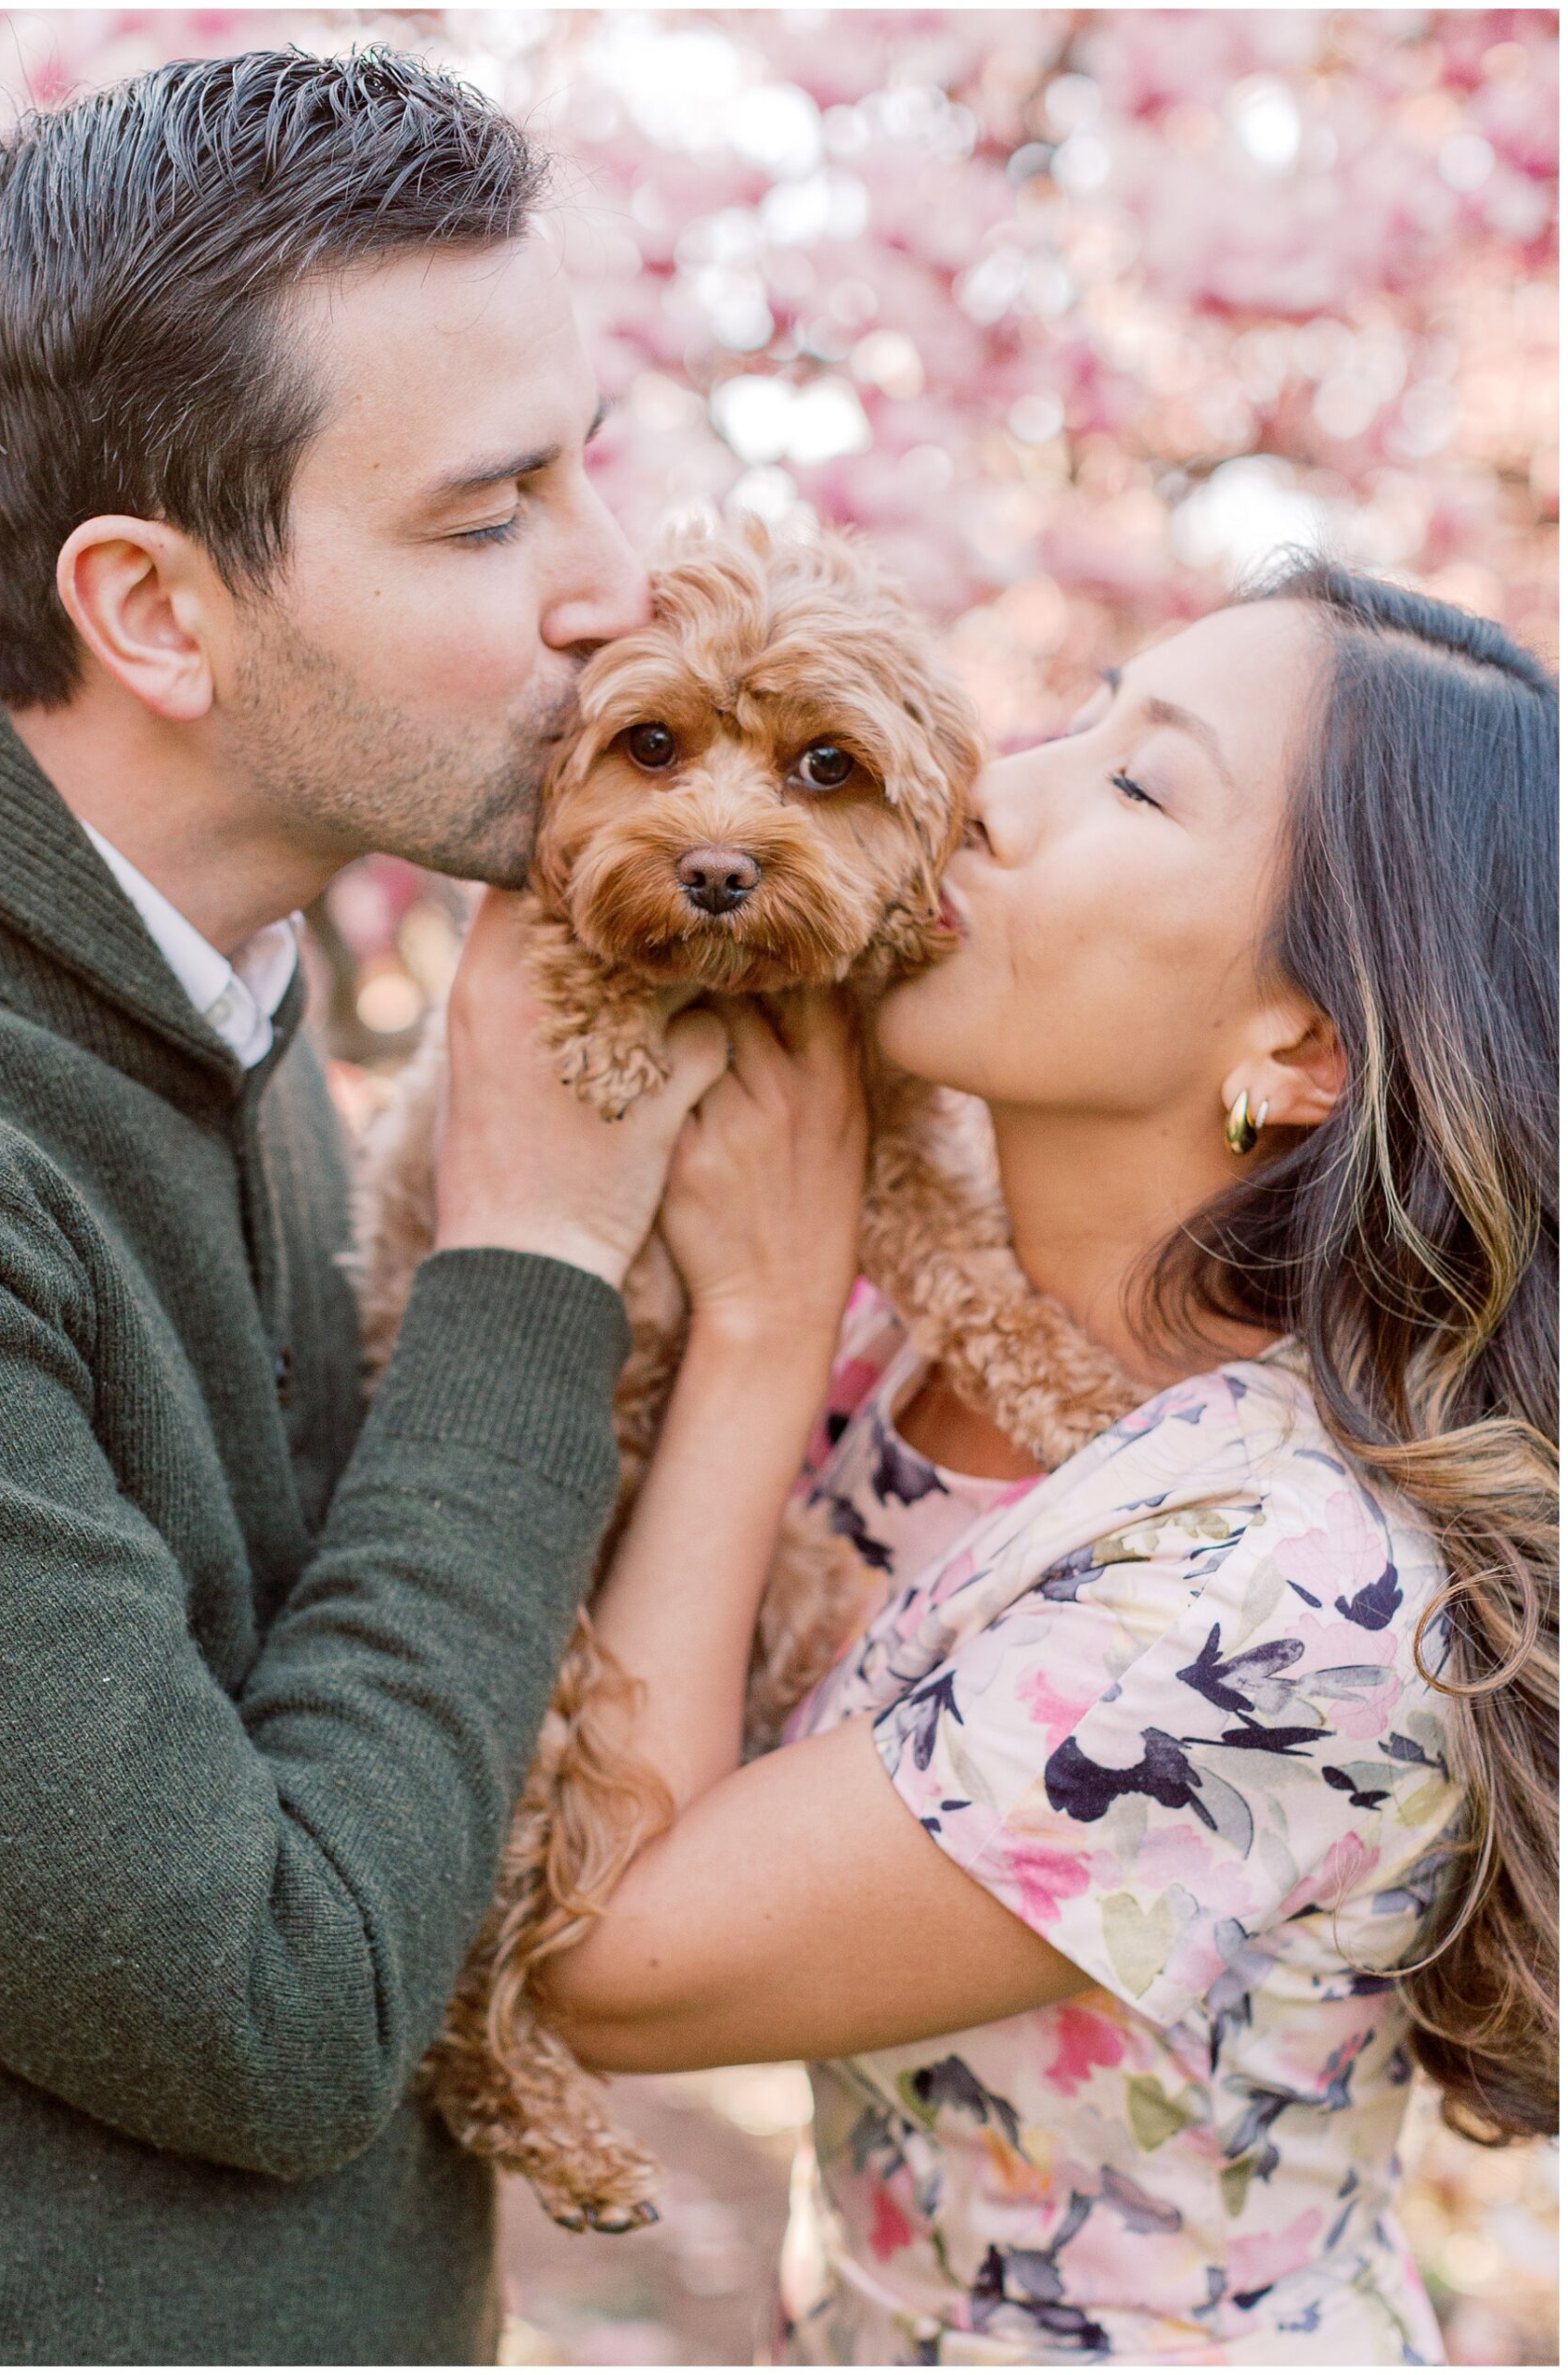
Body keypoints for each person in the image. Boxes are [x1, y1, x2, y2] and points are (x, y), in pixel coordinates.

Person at [0, 47, 730, 2367]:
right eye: (491, 511)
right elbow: (273, 2007)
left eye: (587, 459)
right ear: (156, 612)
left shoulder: (210, 962)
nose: (618, 588)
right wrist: (527, 1257)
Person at [533, 564, 1559, 2364]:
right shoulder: (940, 1303)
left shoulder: (1288, 1590)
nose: (998, 781)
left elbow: (614, 1957)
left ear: (1302, 1048)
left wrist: (766, 1325)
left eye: (1143, 781)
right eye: (1080, 709)